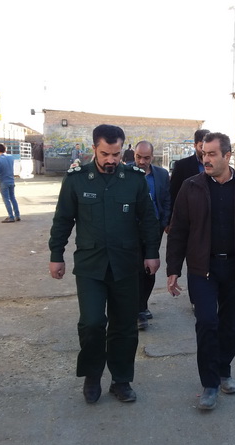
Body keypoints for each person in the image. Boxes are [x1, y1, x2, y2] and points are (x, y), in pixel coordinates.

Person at [48, 124, 161, 404]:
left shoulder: (134, 179)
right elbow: (63, 220)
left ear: (123, 150)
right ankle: (92, 375)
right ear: (94, 150)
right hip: (91, 265)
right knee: (92, 323)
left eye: (116, 154)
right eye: (105, 154)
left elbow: (148, 219)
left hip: (126, 264)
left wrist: (152, 252)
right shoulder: (76, 179)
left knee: (124, 326)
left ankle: (121, 380)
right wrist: (56, 255)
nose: (111, 159)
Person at [166, 132, 235, 410]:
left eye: (212, 154)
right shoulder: (191, 187)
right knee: (206, 322)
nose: (206, 159)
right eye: (204, 153)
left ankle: (224, 370)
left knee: (230, 324)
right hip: (202, 267)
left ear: (227, 156)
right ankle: (210, 384)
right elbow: (178, 230)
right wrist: (173, 269)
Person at [133, 140, 171, 331]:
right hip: (131, 229)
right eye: (138, 157)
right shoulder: (125, 173)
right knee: (135, 270)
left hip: (154, 229)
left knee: (150, 268)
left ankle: (143, 304)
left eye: (146, 158)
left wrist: (164, 222)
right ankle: (138, 311)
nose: (142, 161)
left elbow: (166, 199)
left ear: (152, 157)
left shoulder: (162, 175)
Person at [169, 128, 210, 226]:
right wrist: (170, 221)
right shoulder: (182, 166)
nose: (205, 151)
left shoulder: (215, 165)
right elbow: (173, 194)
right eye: (201, 146)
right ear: (195, 145)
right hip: (189, 219)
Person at [0, 143, 20, 223]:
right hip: (11, 180)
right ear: (6, 149)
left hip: (3, 182)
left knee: (6, 199)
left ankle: (11, 216)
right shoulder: (11, 157)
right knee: (13, 198)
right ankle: (17, 215)